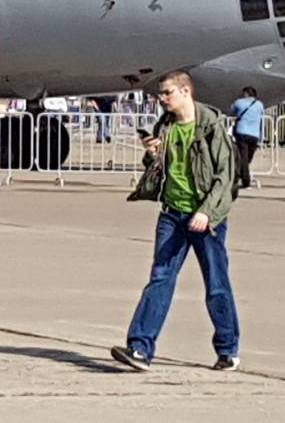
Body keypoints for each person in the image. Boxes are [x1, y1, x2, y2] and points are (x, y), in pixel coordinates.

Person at [112, 69, 239, 373]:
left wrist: (206, 211)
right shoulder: (165, 126)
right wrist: (152, 154)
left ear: (185, 91)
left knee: (216, 285)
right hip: (172, 214)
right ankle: (140, 348)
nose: (162, 99)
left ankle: (228, 349)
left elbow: (225, 175)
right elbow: (159, 168)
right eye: (161, 94)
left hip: (205, 217)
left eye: (167, 93)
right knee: (160, 279)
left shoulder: (210, 126)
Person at [228, 86, 263, 193]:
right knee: (248, 157)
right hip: (255, 134)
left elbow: (231, 112)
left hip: (242, 131)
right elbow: (262, 115)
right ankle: (244, 174)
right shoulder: (259, 104)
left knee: (243, 156)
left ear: (246, 94)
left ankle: (244, 179)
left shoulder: (238, 102)